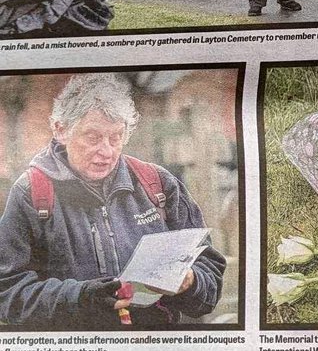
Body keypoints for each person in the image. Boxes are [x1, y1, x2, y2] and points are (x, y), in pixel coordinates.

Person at [0, 72, 226, 329]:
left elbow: (210, 272)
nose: (106, 152)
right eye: (93, 138)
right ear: (61, 131)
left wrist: (191, 281)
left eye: (116, 137)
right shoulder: (32, 192)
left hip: (154, 345)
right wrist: (82, 298)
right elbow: (8, 292)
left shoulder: (158, 183)